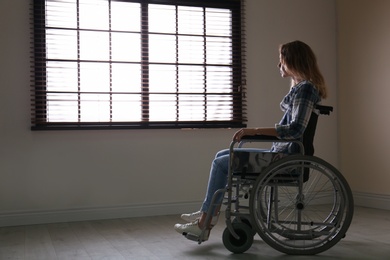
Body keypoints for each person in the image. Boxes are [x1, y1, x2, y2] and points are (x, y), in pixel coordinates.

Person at [174, 40, 328, 241]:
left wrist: (253, 131)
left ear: (293, 61)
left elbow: (295, 129)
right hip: (283, 155)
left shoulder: (306, 89)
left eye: (281, 60)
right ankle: (207, 212)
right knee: (222, 155)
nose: (278, 65)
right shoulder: (303, 88)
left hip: (286, 159)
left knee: (222, 163)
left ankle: (205, 220)